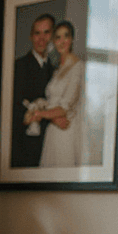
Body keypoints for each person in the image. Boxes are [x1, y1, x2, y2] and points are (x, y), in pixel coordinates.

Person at [29, 20, 84, 168]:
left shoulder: (77, 67)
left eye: (66, 36)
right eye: (58, 37)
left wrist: (39, 114)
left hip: (65, 131)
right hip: (53, 130)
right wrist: (47, 115)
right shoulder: (57, 69)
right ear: (53, 41)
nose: (62, 41)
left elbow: (64, 108)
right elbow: (51, 101)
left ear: (71, 39)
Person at [10, 13, 55, 168]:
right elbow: (12, 106)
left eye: (46, 32)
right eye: (37, 33)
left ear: (53, 36)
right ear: (31, 36)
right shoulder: (18, 66)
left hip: (50, 142)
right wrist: (26, 117)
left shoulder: (56, 71)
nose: (41, 38)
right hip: (24, 145)